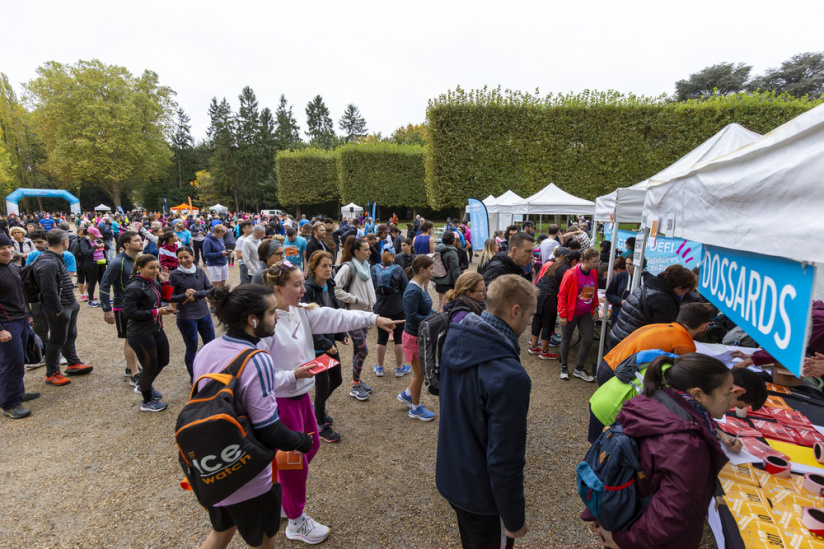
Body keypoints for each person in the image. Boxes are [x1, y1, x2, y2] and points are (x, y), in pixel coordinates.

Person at [260, 260, 401, 543]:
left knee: (308, 449)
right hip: (282, 403)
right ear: (277, 289)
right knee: (294, 463)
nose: (304, 289)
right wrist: (292, 375)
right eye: (297, 285)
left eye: (302, 282)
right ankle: (295, 520)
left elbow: (337, 317)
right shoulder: (264, 324)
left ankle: (280, 495)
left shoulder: (300, 311)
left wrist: (373, 319)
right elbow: (258, 377)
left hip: (301, 397)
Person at [193, 284, 313, 549]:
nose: (277, 316)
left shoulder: (208, 349)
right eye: (271, 312)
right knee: (263, 539)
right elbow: (268, 428)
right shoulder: (258, 359)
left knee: (221, 532)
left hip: (214, 462)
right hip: (247, 468)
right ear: (252, 320)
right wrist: (303, 441)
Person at [585, 353, 731, 549]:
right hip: (642, 538)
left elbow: (610, 459)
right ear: (698, 394)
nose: (731, 401)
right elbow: (672, 515)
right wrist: (622, 540)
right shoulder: (689, 443)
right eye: (727, 393)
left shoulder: (645, 403)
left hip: (623, 518)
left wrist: (596, 510)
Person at [437, 275, 537, 548]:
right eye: (530, 315)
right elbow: (505, 458)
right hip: (482, 497)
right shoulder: (510, 376)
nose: (530, 323)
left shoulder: (458, 337)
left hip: (453, 475)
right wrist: (514, 519)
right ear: (515, 311)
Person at [33, 229, 92, 386]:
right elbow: (48, 290)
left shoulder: (56, 258)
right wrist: (58, 309)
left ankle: (73, 362)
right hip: (59, 307)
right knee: (57, 339)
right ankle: (52, 373)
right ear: (65, 242)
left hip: (68, 303)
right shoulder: (48, 262)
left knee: (70, 335)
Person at [302, 251, 347, 443]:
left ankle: (316, 410)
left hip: (329, 342)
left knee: (337, 379)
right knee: (322, 386)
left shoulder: (329, 284)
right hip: (317, 347)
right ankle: (319, 426)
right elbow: (307, 323)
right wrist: (326, 344)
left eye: (330, 265)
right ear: (314, 268)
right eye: (324, 266)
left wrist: (341, 334)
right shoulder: (307, 289)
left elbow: (333, 314)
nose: (328, 269)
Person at [122, 254, 173, 412]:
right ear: (140, 268)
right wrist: (156, 312)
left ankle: (144, 385)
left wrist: (165, 282)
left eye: (157, 267)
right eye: (152, 268)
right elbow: (128, 313)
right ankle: (147, 400)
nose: (156, 270)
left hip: (156, 328)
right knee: (150, 366)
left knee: (163, 360)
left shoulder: (153, 282)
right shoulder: (134, 287)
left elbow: (164, 298)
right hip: (140, 333)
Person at [609, 264, 696, 348]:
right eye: (684, 291)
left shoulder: (647, 287)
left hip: (620, 338)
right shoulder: (663, 300)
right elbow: (662, 335)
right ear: (679, 288)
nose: (682, 294)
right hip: (632, 346)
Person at [333, 237, 377, 401]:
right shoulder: (348, 267)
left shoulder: (365, 265)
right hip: (353, 316)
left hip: (365, 315)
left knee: (357, 350)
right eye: (366, 249)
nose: (369, 252)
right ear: (356, 252)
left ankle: (356, 381)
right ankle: (355, 386)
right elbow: (336, 289)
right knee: (363, 350)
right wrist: (355, 299)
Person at [0, 233, 39, 419]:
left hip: (20, 320)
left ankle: (17, 392)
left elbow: (21, 294)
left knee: (20, 359)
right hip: (7, 324)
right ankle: (9, 404)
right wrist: (1, 329)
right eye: (2, 248)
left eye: (9, 247)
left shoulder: (12, 267)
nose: (7, 251)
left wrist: (28, 315)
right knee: (11, 363)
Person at [100, 231, 142, 384]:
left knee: (136, 339)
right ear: (126, 244)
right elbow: (104, 285)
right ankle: (134, 374)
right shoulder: (117, 262)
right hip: (123, 307)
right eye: (137, 240)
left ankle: (130, 367)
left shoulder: (137, 259)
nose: (141, 242)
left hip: (137, 306)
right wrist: (107, 309)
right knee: (130, 340)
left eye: (141, 239)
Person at [398, 255, 437, 421]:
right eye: (431, 269)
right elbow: (411, 317)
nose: (433, 272)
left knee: (420, 373)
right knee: (419, 375)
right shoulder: (413, 290)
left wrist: (438, 315)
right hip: (413, 337)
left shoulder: (422, 284)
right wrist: (433, 319)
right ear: (422, 269)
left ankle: (408, 394)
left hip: (419, 335)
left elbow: (426, 310)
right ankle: (415, 409)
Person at [168, 246, 215, 382]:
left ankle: (210, 373)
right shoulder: (174, 275)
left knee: (210, 345)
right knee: (191, 348)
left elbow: (210, 289)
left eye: (186, 257)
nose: (183, 260)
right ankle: (193, 378)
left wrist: (196, 294)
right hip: (186, 317)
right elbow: (169, 297)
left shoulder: (200, 270)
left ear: (193, 257)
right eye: (180, 258)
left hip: (204, 314)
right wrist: (184, 295)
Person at [557, 248, 600, 382]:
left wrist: (596, 308)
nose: (597, 264)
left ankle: (579, 368)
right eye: (595, 262)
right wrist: (562, 314)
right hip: (571, 313)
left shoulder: (593, 272)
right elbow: (562, 295)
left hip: (585, 312)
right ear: (585, 261)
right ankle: (564, 367)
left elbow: (594, 291)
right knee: (566, 339)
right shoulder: (571, 274)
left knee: (588, 339)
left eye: (598, 261)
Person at [529, 249, 580, 361]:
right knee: (548, 323)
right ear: (574, 261)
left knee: (537, 319)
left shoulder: (557, 264)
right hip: (548, 295)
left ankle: (533, 347)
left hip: (538, 292)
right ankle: (544, 352)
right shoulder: (567, 270)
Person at [370, 246, 411, 378]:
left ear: (381, 255)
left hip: (380, 307)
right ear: (394, 255)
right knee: (398, 338)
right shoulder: (398, 269)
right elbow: (406, 288)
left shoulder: (374, 269)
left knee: (381, 338)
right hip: (397, 307)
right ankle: (399, 368)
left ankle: (379, 367)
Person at [432, 231, 461, 312]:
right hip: (448, 282)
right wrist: (458, 283)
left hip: (439, 279)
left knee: (440, 304)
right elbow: (455, 270)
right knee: (445, 305)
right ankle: (441, 319)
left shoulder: (438, 249)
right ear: (453, 240)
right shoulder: (452, 252)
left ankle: (437, 316)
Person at [604, 256, 632, 326]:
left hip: (634, 316)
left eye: (631, 264)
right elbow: (609, 294)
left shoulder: (645, 279)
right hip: (618, 313)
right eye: (626, 263)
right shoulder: (620, 276)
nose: (627, 266)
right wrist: (620, 301)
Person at [203, 224, 230, 288]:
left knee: (222, 283)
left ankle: (221, 294)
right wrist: (220, 253)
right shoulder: (208, 241)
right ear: (215, 232)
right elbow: (206, 254)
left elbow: (221, 250)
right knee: (214, 284)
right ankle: (213, 294)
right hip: (214, 265)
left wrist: (227, 251)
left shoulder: (220, 239)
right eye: (221, 234)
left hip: (223, 263)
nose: (222, 236)